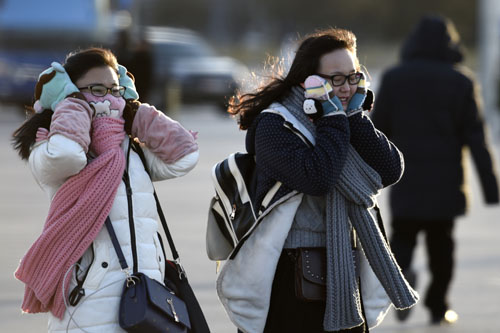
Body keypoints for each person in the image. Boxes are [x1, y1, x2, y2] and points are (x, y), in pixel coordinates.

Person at [217, 28, 418, 333]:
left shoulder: (345, 116)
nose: (347, 87)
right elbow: (318, 177)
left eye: (353, 76)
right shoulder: (276, 125)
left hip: (344, 273)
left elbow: (391, 169)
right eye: (336, 78)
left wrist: (354, 119)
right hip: (287, 277)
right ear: (308, 80)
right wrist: (334, 121)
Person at [12, 47, 199, 332]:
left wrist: (140, 116)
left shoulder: (132, 150)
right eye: (97, 89)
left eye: (115, 90)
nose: (109, 99)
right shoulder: (49, 146)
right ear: (70, 93)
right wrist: (73, 107)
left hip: (146, 300)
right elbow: (68, 156)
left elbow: (184, 156)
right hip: (90, 303)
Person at [371, 15, 499, 325]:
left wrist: (366, 176)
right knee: (442, 246)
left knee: (402, 239)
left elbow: (376, 130)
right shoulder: (461, 80)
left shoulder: (394, 78)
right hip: (445, 183)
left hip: (405, 180)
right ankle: (438, 305)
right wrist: (491, 188)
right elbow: (476, 138)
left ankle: (402, 291)